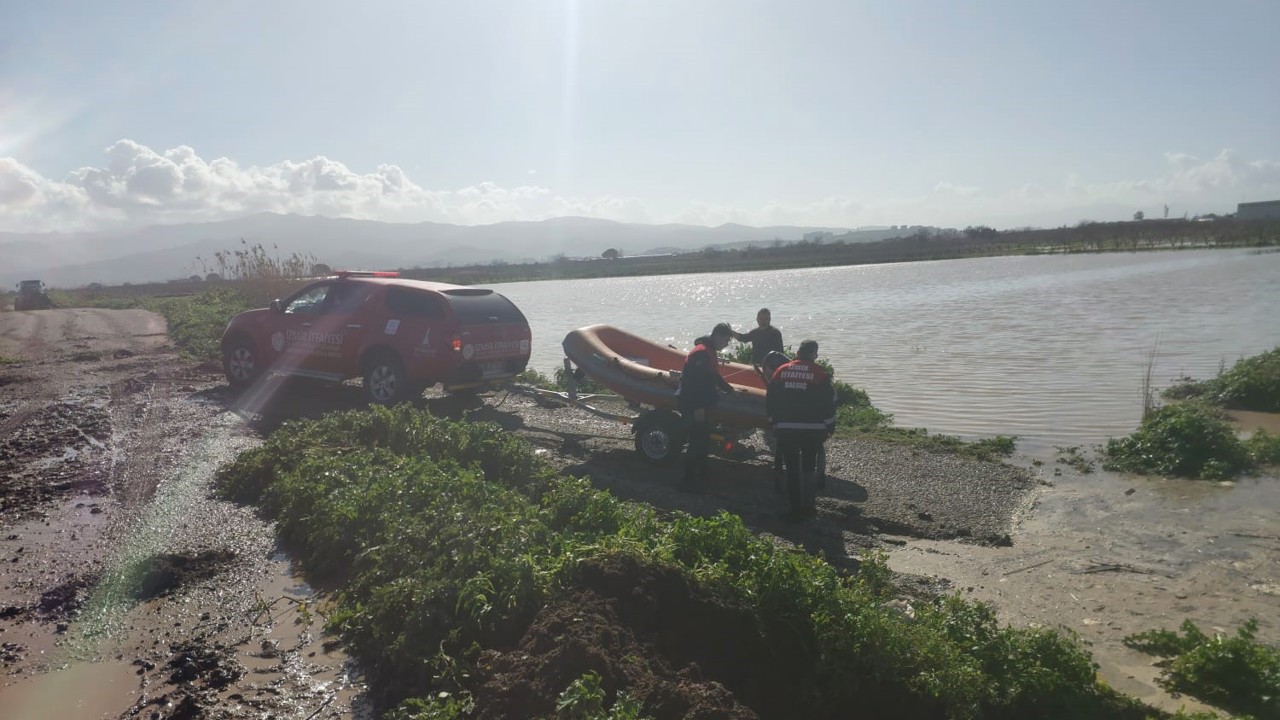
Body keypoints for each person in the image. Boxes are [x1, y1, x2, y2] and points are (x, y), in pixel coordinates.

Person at [766, 339, 836, 518]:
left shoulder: (781, 371)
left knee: (792, 468)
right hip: (812, 431)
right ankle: (809, 507)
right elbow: (828, 403)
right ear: (814, 354)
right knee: (808, 467)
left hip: (786, 429)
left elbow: (771, 398)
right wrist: (830, 426)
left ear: (798, 352)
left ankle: (795, 508)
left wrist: (773, 422)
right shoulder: (819, 374)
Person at [676, 323, 735, 490]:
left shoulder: (709, 351)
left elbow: (713, 376)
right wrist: (698, 408)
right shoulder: (701, 353)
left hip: (701, 403)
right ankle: (688, 481)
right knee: (696, 441)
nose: (726, 345)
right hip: (693, 403)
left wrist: (729, 390)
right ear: (718, 336)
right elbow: (695, 384)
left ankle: (703, 473)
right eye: (726, 340)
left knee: (703, 440)